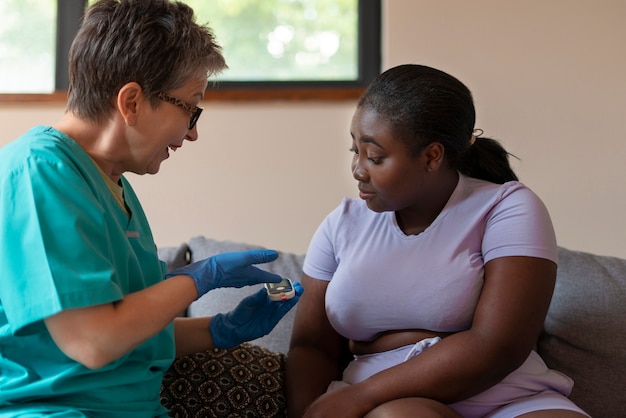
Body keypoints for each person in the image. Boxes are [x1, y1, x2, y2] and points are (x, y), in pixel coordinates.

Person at [0, 0, 302, 416]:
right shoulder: (40, 172)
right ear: (132, 102)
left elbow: (127, 332)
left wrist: (221, 328)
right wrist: (199, 279)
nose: (192, 134)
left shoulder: (113, 183)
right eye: (190, 109)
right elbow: (93, 341)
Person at [285, 64, 589, 418]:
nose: (358, 170)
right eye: (356, 151)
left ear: (432, 156)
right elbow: (311, 346)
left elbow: (498, 345)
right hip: (390, 409)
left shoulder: (507, 207)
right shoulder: (342, 224)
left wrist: (360, 394)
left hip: (511, 400)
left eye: (375, 157)